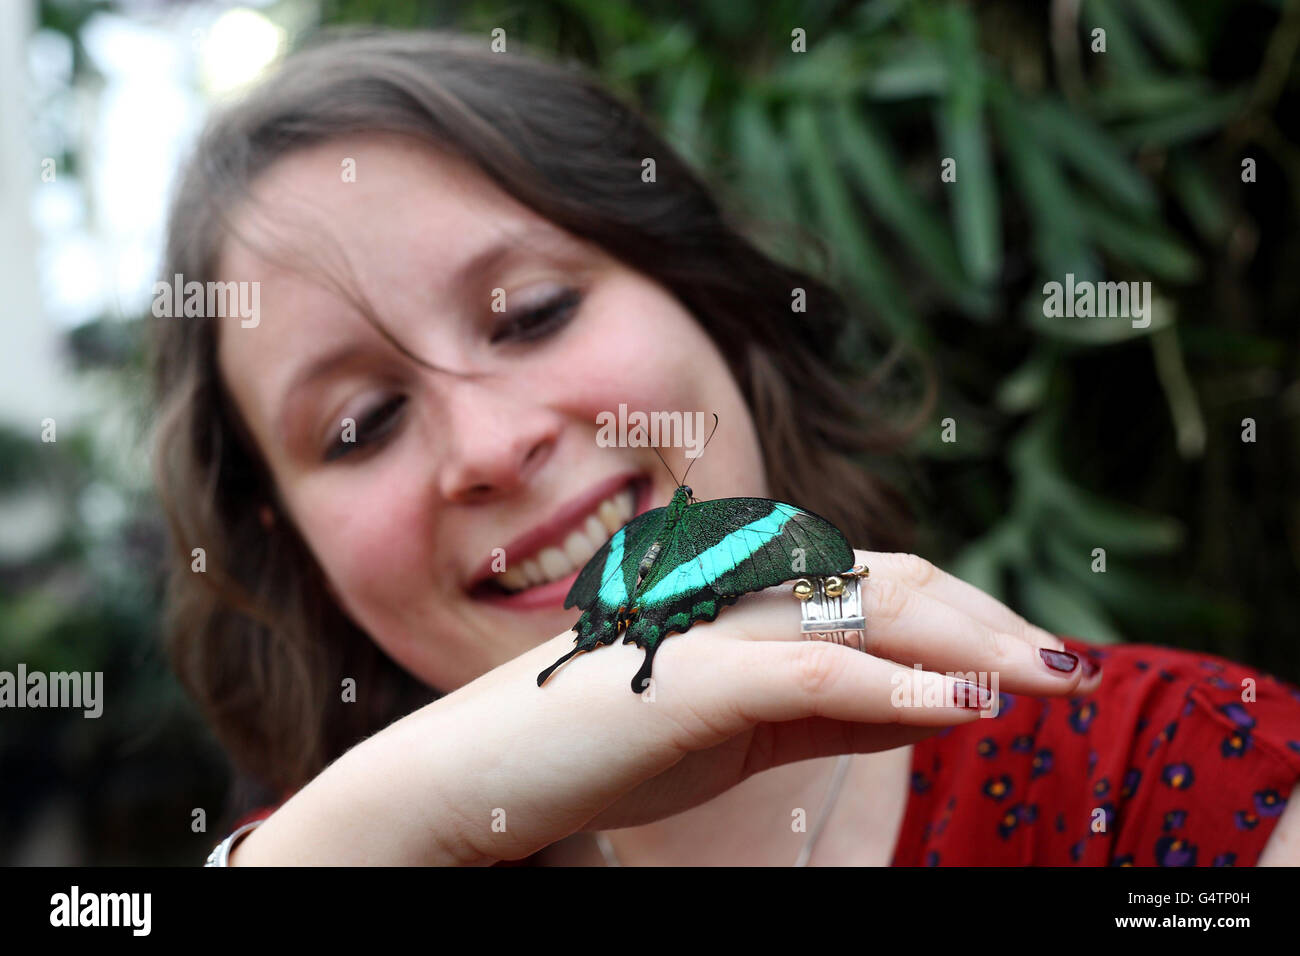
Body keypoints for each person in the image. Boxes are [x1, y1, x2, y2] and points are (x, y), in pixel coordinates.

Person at [150, 28, 1300, 866]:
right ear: (283, 539)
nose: (492, 444)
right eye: (361, 425)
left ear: (701, 291)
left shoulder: (1166, 777)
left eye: (536, 310)